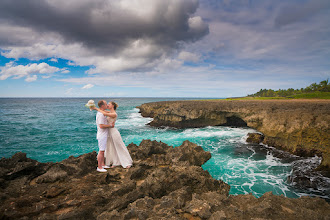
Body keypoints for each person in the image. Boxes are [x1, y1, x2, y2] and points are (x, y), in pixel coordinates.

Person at [92, 101, 133, 168]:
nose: (107, 105)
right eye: (107, 104)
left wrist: (96, 108)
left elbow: (104, 113)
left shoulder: (114, 114)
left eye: (109, 104)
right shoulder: (109, 112)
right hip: (108, 132)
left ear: (113, 106)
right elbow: (103, 112)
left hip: (114, 132)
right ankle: (115, 162)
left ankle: (127, 162)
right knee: (112, 147)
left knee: (119, 146)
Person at [95, 100, 114, 172]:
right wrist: (110, 125)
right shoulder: (100, 114)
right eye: (106, 104)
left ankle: (102, 165)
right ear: (102, 106)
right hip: (102, 135)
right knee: (101, 151)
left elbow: (108, 113)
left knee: (103, 150)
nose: (107, 105)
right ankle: (99, 167)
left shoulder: (102, 113)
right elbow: (101, 126)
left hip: (103, 134)